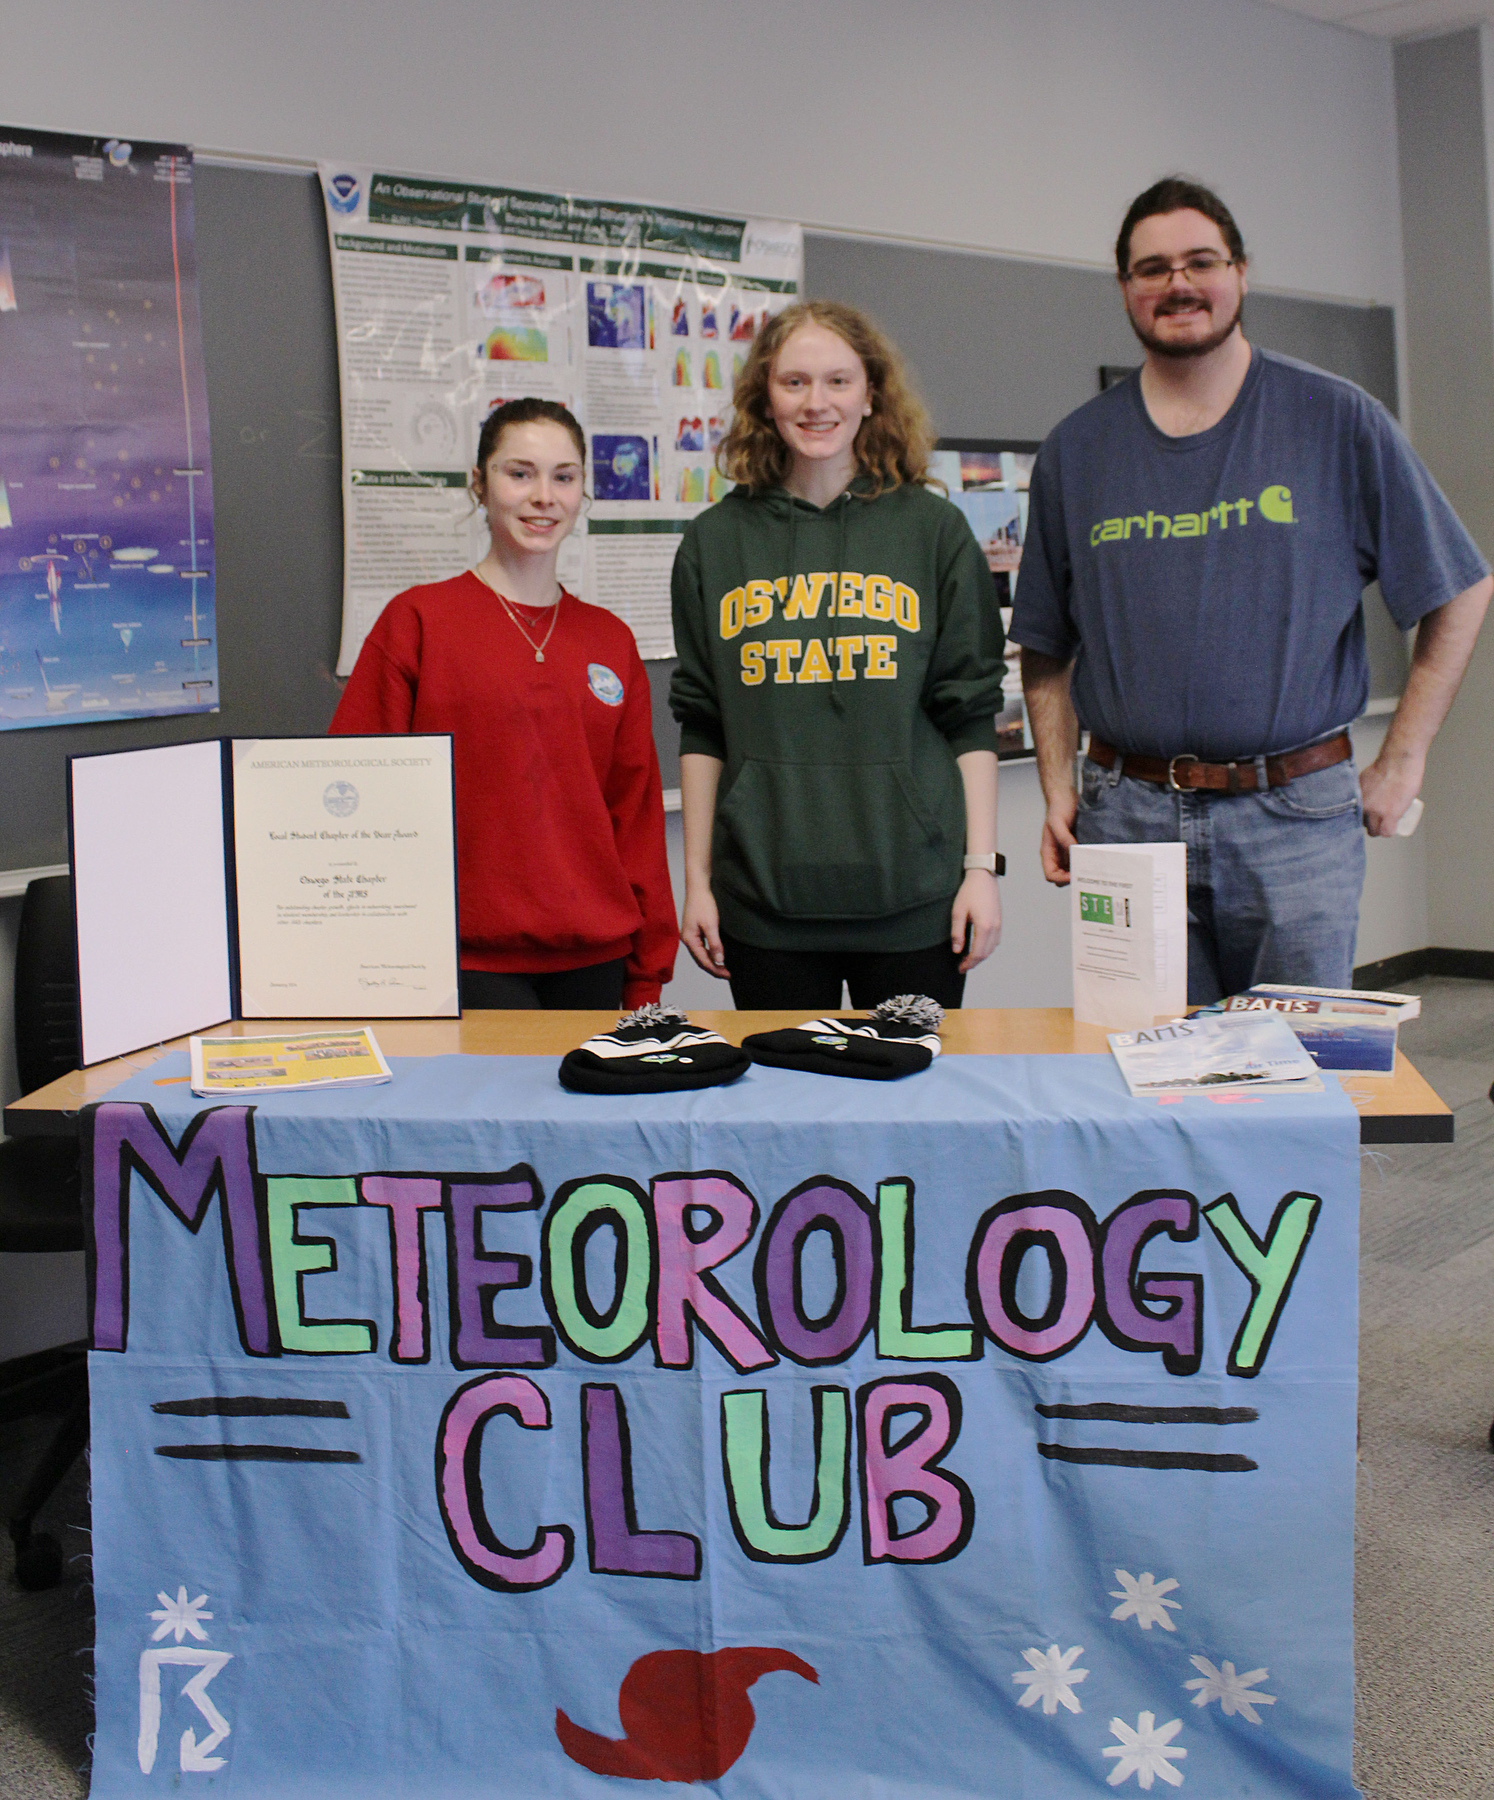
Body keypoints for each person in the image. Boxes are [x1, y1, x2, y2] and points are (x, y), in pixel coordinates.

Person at [1014, 176, 1492, 1003]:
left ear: (1241, 271)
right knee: (1147, 1077)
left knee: (1301, 1086)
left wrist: (1404, 759)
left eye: (1201, 261)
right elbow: (1046, 646)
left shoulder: (1337, 419)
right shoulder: (1076, 451)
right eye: (1152, 268)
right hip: (1127, 818)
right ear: (1126, 288)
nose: (1178, 284)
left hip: (1295, 819)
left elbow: (1459, 586)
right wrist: (1058, 788)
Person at [669, 299, 1006, 1011]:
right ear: (765, 394)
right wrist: (696, 882)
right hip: (764, 905)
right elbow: (702, 724)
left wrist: (981, 871)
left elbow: (970, 715)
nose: (816, 403)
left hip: (914, 900)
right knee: (783, 1117)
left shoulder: (934, 532)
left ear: (871, 392)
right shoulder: (714, 542)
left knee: (911, 1111)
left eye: (838, 381)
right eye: (794, 383)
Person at [330, 397, 676, 1010]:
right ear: (480, 487)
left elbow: (636, 808)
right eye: (520, 473)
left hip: (595, 956)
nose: (544, 496)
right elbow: (356, 796)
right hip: (457, 958)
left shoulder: (609, 639)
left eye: (563, 477)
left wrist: (648, 969)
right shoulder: (417, 622)